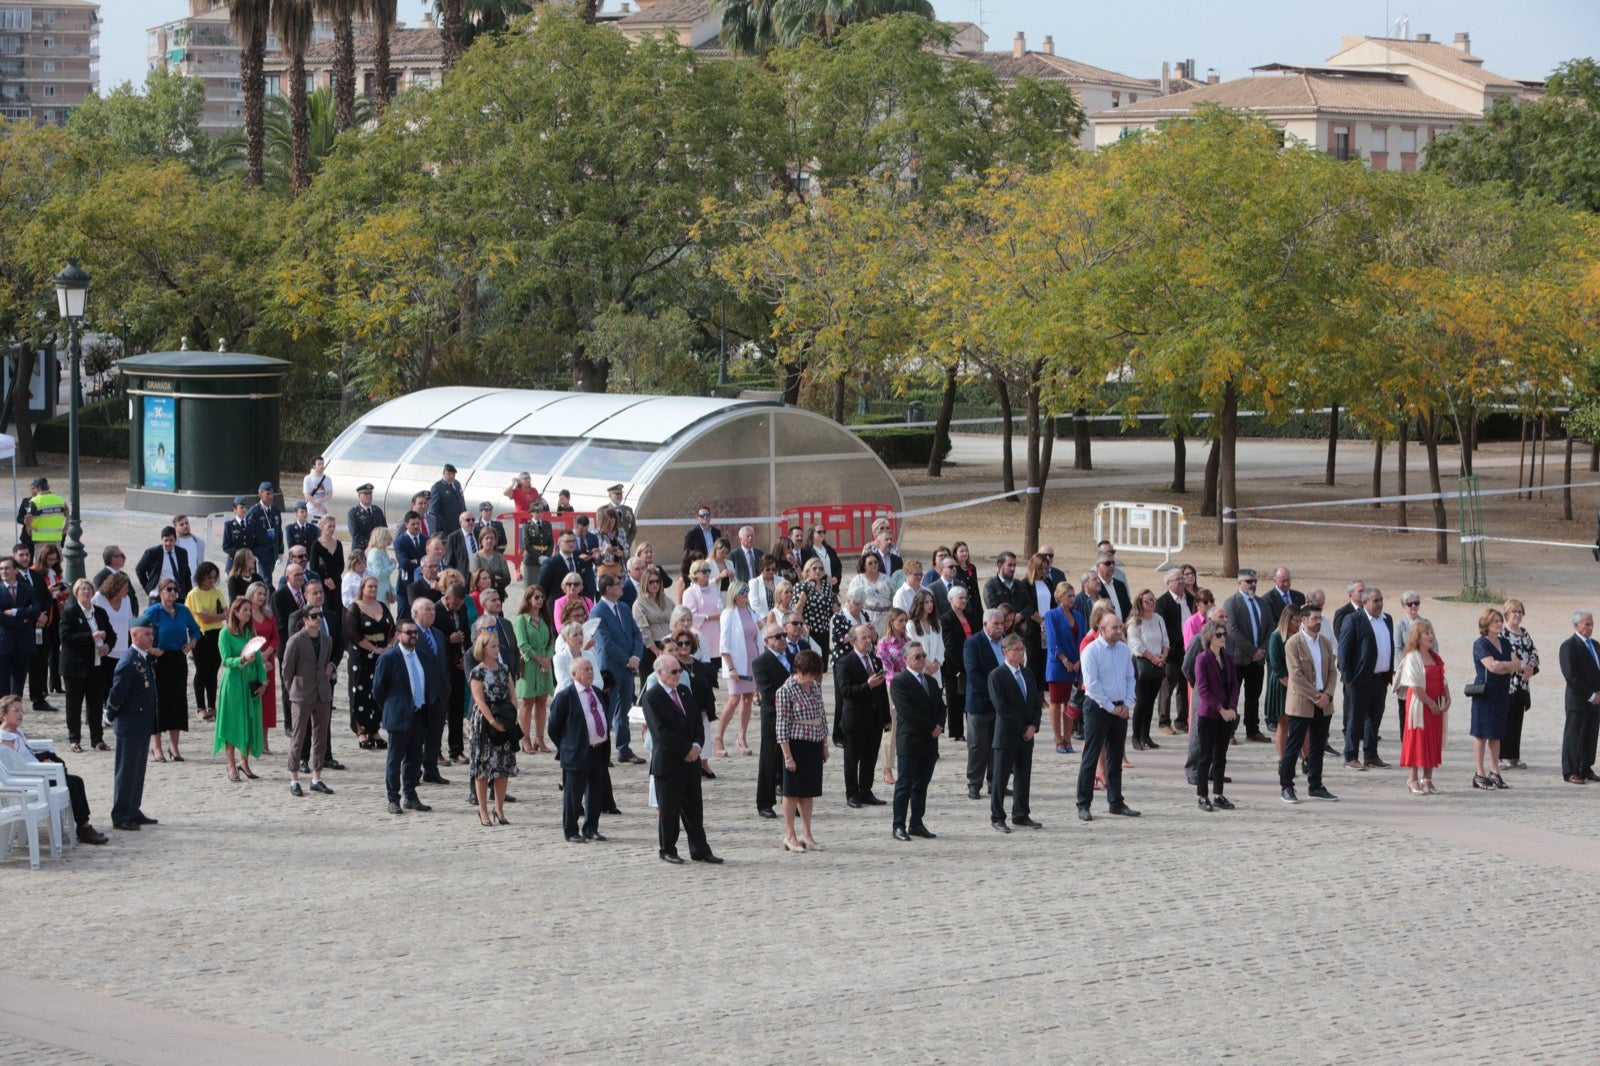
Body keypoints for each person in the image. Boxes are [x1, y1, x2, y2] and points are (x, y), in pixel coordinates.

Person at [642, 654, 721, 864]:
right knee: (669, 811)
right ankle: (667, 849)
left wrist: (696, 746)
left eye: (680, 671)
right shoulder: (652, 697)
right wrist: (685, 750)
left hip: (691, 761)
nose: (679, 675)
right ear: (660, 673)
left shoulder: (685, 692)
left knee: (695, 810)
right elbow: (660, 732)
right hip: (668, 762)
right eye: (674, 671)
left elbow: (697, 722)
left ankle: (700, 849)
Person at [0, 696, 107, 844]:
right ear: (4, 714)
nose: (20, 714)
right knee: (72, 784)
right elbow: (13, 767)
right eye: (15, 711)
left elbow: (27, 754)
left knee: (76, 780)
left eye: (22, 711)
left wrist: (42, 759)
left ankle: (84, 826)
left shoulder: (17, 732)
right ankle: (84, 827)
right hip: (31, 779)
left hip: (37, 770)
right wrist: (42, 766)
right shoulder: (5, 738)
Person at [1076, 612, 1141, 821]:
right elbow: (1092, 685)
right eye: (1115, 628)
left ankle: (1116, 801)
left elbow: (1131, 677)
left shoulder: (1123, 650)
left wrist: (1127, 703)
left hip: (1120, 708)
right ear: (1101, 628)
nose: (1120, 631)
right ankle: (1083, 804)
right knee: (1091, 756)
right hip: (1098, 708)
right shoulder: (1091, 652)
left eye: (1120, 627)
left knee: (1115, 756)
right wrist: (1111, 708)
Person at [372, 618, 434, 815]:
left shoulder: (423, 656)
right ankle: (393, 798)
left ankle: (410, 795)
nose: (413, 636)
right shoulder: (389, 658)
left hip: (419, 714)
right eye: (409, 632)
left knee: (414, 758)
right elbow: (378, 690)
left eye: (415, 632)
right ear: (398, 635)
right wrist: (393, 708)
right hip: (399, 716)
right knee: (395, 759)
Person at [138, 579, 200, 764]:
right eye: (169, 589)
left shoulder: (182, 610)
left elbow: (196, 629)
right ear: (161, 592)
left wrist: (191, 644)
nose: (173, 593)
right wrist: (150, 649)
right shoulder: (153, 611)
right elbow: (137, 629)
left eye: (175, 590)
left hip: (178, 658)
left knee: (177, 701)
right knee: (158, 702)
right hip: (159, 658)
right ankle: (156, 747)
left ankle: (174, 745)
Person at [1281, 604, 1338, 804]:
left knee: (1317, 746)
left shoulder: (1324, 643)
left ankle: (1315, 785)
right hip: (1302, 702)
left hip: (1324, 703)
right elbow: (1296, 675)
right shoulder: (1293, 644)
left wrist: (1328, 695)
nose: (1318, 621)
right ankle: (1286, 785)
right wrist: (1316, 696)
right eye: (1314, 618)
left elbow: (1332, 671)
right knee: (1294, 744)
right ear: (1303, 620)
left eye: (1320, 617)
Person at [105, 622, 159, 831]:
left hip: (142, 722)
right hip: (130, 723)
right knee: (126, 771)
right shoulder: (129, 662)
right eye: (146, 634)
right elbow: (117, 693)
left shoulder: (142, 658)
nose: (151, 638)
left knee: (138, 770)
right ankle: (120, 813)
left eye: (152, 634)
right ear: (134, 636)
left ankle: (133, 808)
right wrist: (110, 715)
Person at [548, 657, 608, 842]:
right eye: (585, 669)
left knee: (596, 792)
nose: (590, 672)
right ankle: (571, 830)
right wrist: (567, 746)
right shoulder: (566, 696)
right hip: (576, 752)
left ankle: (591, 828)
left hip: (598, 751)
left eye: (591, 668)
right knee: (573, 794)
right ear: (574, 674)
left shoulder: (598, 693)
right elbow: (553, 727)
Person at [282, 594, 336, 797]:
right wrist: (294, 690)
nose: (318, 619)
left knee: (320, 737)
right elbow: (287, 670)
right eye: (314, 616)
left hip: (322, 693)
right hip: (302, 694)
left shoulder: (327, 639)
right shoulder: (296, 641)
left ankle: (317, 777)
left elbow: (325, 663)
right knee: (298, 736)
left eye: (320, 615)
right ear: (305, 620)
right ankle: (294, 779)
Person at [775, 650, 828, 852]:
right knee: (792, 792)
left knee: (808, 791)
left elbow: (822, 715)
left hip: (813, 742)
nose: (811, 678)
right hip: (795, 743)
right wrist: (787, 755)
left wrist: (824, 744)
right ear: (798, 670)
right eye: (808, 674)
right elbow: (781, 726)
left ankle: (807, 833)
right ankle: (790, 834)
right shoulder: (786, 691)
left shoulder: (814, 686)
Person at [987, 634, 1041, 833]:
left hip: (1027, 734)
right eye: (1016, 649)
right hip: (1007, 735)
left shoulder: (1027, 674)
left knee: (1023, 776)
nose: (1021, 653)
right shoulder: (997, 676)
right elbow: (1002, 708)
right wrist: (1022, 729)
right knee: (1000, 778)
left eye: (1022, 649)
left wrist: (1033, 726)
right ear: (1005, 652)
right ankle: (997, 816)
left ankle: (1021, 813)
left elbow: (1036, 703)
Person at [888, 642, 942, 841]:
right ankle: (898, 825)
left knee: (922, 785)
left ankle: (916, 823)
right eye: (916, 656)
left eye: (923, 656)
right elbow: (907, 712)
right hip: (911, 741)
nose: (921, 660)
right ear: (906, 659)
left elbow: (941, 707)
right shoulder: (900, 682)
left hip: (930, 742)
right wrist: (931, 727)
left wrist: (940, 725)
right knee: (905, 784)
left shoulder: (931, 681)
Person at [1338, 586, 1395, 771]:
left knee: (1374, 719)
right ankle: (1351, 755)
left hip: (1380, 679)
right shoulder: (1353, 620)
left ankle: (1370, 754)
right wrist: (1348, 679)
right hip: (1359, 680)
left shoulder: (1387, 620)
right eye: (1375, 600)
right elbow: (1344, 651)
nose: (1379, 604)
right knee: (1355, 719)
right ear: (1365, 602)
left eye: (1381, 600)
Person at [834, 622, 890, 808]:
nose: (868, 641)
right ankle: (852, 794)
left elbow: (882, 691)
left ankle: (866, 791)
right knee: (852, 759)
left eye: (869, 637)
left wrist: (886, 717)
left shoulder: (875, 660)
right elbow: (845, 691)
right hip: (855, 719)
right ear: (852, 641)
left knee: (870, 758)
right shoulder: (845, 663)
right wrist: (867, 686)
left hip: (874, 718)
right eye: (863, 638)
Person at [213, 596, 265, 783]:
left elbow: (258, 659)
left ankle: (244, 761)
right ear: (235, 612)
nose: (248, 613)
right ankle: (230, 763)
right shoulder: (225, 634)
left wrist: (264, 682)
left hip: (250, 681)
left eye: (249, 610)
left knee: (250, 722)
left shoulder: (251, 633)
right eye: (244, 610)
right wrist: (242, 660)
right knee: (233, 722)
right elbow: (225, 660)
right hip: (234, 683)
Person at [58, 579, 113, 754]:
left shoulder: (101, 613)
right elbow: (66, 638)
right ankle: (74, 739)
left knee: (95, 704)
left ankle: (97, 739)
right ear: (76, 593)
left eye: (89, 589)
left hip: (96, 665)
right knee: (74, 704)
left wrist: (108, 646)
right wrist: (91, 635)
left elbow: (111, 634)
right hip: (75, 667)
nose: (87, 592)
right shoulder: (70, 613)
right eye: (83, 589)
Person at [468, 629, 516, 826]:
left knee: (502, 767)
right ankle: (483, 811)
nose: (497, 650)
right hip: (485, 723)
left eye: (498, 647)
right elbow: (479, 700)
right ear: (483, 648)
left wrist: (511, 715)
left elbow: (512, 693)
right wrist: (492, 721)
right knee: (483, 768)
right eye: (493, 646)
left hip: (504, 718)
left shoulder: (504, 669)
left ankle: (499, 808)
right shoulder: (477, 672)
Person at [1190, 620, 1240, 812]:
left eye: (1224, 634)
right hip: (1209, 714)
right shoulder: (1202, 659)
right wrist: (1221, 709)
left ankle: (1218, 794)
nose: (1222, 638)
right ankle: (1202, 795)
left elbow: (1234, 683)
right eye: (1219, 635)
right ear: (1209, 637)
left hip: (1226, 714)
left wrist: (1232, 708)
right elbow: (1203, 689)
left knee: (1221, 755)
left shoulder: (1228, 658)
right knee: (1205, 756)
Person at [1396, 619, 1449, 795]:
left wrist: (1447, 698)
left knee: (1433, 739)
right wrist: (1430, 703)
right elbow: (1414, 686)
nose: (1430, 636)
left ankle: (1428, 778)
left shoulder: (1435, 657)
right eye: (1426, 633)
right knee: (1418, 738)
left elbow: (1443, 679)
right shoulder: (1412, 657)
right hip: (1420, 705)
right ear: (1417, 638)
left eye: (1431, 633)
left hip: (1436, 705)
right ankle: (1412, 778)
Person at [1470, 608, 1519, 791]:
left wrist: (1505, 665)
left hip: (1501, 692)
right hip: (1485, 693)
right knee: (1481, 733)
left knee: (1496, 734)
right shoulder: (1480, 644)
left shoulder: (1505, 643)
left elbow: (1516, 664)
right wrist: (1506, 666)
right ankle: (1480, 773)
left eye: (1500, 621)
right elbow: (1491, 666)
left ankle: (1495, 771)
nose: (1499, 624)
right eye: (1495, 621)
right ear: (1486, 624)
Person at [962, 608, 1006, 800]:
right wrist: (994, 695)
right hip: (981, 703)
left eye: (1002, 623)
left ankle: (994, 782)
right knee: (978, 746)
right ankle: (974, 784)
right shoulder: (973, 643)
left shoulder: (1006, 643)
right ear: (985, 624)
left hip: (1001, 705)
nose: (1000, 627)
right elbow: (973, 674)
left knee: (996, 746)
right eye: (996, 624)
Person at [345, 575, 393, 749]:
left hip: (380, 656)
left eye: (375, 586)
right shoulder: (354, 608)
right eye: (369, 587)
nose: (373, 590)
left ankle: (374, 729)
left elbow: (392, 629)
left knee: (377, 691)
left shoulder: (382, 606)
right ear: (362, 588)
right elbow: (353, 634)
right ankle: (361, 730)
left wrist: (388, 646)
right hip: (361, 655)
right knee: (360, 691)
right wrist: (372, 648)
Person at [751, 623, 793, 820]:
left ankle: (793, 800)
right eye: (778, 637)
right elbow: (767, 693)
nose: (783, 639)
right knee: (769, 760)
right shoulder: (761, 662)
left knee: (792, 760)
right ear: (767, 641)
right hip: (773, 717)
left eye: (784, 635)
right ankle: (765, 803)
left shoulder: (793, 657)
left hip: (795, 717)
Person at [1222, 569, 1269, 742]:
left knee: (1253, 696)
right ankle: (1229, 731)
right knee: (1231, 695)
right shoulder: (1232, 603)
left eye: (1255, 581)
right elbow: (1232, 631)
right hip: (1238, 658)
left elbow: (1270, 627)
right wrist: (1253, 650)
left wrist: (1261, 650)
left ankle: (1252, 730)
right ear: (1239, 583)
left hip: (1257, 660)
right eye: (1249, 581)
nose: (1253, 584)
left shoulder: (1261, 603)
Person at [716, 582, 761, 757]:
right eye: (742, 591)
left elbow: (760, 632)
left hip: (753, 660)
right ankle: (719, 738)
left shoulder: (752, 612)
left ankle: (741, 737)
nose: (745, 594)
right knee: (734, 699)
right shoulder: (728, 614)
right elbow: (724, 644)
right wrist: (731, 667)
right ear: (734, 594)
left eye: (747, 591)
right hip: (736, 662)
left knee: (748, 699)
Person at [1558, 610, 1600, 785]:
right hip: (1579, 699)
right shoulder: (1569, 645)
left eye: (1591, 624)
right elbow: (1571, 675)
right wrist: (1590, 695)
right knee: (1574, 735)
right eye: (1586, 624)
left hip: (1597, 699)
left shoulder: (1596, 645)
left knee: (1591, 735)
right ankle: (1571, 770)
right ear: (1576, 625)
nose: (1590, 628)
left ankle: (1585, 767)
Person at [514, 586, 555, 754]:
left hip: (544, 663)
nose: (540, 600)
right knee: (528, 701)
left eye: (542, 597)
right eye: (537, 597)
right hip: (530, 664)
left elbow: (551, 640)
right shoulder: (521, 620)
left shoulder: (545, 618)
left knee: (542, 702)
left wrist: (547, 659)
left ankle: (540, 737)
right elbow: (522, 644)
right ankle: (525, 738)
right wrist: (540, 660)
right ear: (529, 599)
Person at [1044, 580, 1084, 754]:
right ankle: (1058, 738)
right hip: (1058, 665)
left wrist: (1079, 661)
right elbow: (1053, 641)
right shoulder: (1051, 615)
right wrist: (1065, 660)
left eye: (1073, 595)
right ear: (1060, 597)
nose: (1072, 599)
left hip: (1075, 665)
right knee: (1056, 701)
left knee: (1071, 703)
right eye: (1068, 596)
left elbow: (1083, 639)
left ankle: (1068, 737)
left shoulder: (1079, 616)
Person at [184, 563, 227, 723]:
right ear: (201, 576)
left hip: (217, 634)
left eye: (214, 577)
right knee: (202, 670)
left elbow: (226, 613)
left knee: (213, 670)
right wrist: (218, 617)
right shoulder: (193, 594)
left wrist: (215, 617)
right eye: (209, 577)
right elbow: (202, 618)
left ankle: (212, 705)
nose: (212, 580)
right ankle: (200, 707)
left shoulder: (217, 593)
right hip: (201, 635)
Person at [1126, 588, 1168, 751]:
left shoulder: (1158, 619)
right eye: (1147, 601)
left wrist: (1163, 656)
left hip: (1158, 663)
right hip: (1141, 663)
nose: (1151, 603)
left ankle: (1146, 734)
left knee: (1151, 702)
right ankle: (1136, 736)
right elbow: (1136, 644)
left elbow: (1165, 640)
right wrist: (1153, 658)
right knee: (1142, 701)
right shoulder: (1135, 621)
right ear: (1140, 603)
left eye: (1153, 600)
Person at [1499, 599, 1539, 771]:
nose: (1517, 615)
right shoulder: (1502, 634)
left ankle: (1514, 756)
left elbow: (1534, 653)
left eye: (1519, 612)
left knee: (1518, 720)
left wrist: (1530, 666)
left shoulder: (1524, 633)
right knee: (1505, 720)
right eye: (1513, 611)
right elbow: (1503, 656)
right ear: (1507, 614)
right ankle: (1502, 756)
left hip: (1522, 684)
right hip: (1507, 683)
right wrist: (1519, 665)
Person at [1154, 568, 1194, 735]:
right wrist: (1178, 642)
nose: (1181, 582)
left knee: (1185, 686)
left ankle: (1182, 720)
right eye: (1177, 579)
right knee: (1168, 686)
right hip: (1172, 652)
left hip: (1189, 651)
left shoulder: (1190, 599)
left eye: (1182, 579)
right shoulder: (1162, 602)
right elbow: (1164, 628)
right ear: (1168, 583)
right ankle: (1164, 721)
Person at [875, 607, 910, 786]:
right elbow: (887, 669)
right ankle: (887, 768)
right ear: (891, 622)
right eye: (900, 621)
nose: (903, 624)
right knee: (892, 727)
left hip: (907, 688)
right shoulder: (884, 644)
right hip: (892, 688)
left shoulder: (908, 642)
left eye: (905, 621)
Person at [245, 582, 281, 752]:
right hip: (251, 661)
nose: (261, 597)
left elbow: (275, 637)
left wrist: (267, 653)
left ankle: (264, 742)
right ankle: (251, 740)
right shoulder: (245, 615)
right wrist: (259, 657)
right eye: (258, 593)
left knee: (267, 701)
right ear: (251, 594)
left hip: (268, 661)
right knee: (252, 699)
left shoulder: (269, 614)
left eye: (263, 594)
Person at [1264, 603, 1300, 756]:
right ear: (1287, 620)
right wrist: (1291, 686)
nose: (1298, 624)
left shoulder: (1299, 636)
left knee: (1301, 724)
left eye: (1300, 621)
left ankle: (1306, 759)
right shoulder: (1277, 637)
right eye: (1295, 621)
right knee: (1283, 723)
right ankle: (1283, 759)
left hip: (1297, 683)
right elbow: (1276, 665)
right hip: (1281, 683)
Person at [135, 526, 193, 601]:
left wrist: (189, 595)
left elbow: (186, 575)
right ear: (161, 540)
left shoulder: (182, 553)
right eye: (166, 540)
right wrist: (148, 589)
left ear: (175, 540)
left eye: (171, 540)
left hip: (177, 596)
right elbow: (139, 570)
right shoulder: (152, 553)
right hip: (157, 596)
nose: (168, 543)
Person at [246, 483, 284, 582]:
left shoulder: (275, 511)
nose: (271, 496)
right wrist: (252, 553)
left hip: (272, 552)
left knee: (267, 578)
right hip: (260, 554)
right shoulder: (254, 512)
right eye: (268, 494)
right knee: (265, 581)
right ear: (260, 494)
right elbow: (248, 535)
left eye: (272, 494)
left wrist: (280, 551)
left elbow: (279, 531)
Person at [847, 553, 893, 632]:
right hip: (866, 618)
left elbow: (893, 597)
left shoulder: (886, 578)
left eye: (875, 562)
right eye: (870, 563)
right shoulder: (858, 580)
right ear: (864, 566)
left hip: (885, 618)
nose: (874, 565)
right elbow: (850, 600)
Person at [519, 501, 556, 588]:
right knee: (531, 587)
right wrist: (539, 557)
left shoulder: (547, 525)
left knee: (543, 587)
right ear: (531, 513)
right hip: (532, 560)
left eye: (541, 511)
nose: (539, 514)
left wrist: (547, 556)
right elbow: (527, 544)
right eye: (536, 512)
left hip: (545, 560)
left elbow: (551, 543)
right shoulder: (526, 526)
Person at [426, 464, 467, 540]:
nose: (451, 476)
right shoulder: (437, 487)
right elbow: (433, 511)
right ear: (444, 473)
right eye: (449, 474)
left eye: (453, 474)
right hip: (446, 527)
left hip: (459, 525)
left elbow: (461, 502)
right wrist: (440, 527)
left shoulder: (457, 484)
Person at [347, 483, 386, 555]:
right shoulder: (354, 513)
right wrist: (370, 543)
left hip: (377, 549)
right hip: (361, 550)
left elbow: (384, 528)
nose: (369, 496)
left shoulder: (377, 510)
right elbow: (355, 534)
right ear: (359, 496)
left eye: (370, 494)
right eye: (365, 494)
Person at [365, 525, 398, 607]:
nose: (390, 539)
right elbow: (379, 574)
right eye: (387, 537)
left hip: (385, 590)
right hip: (377, 591)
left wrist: (393, 590)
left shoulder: (383, 552)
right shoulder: (375, 553)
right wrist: (393, 566)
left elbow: (386, 578)